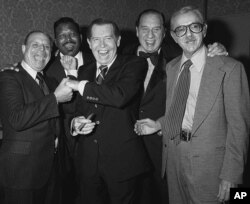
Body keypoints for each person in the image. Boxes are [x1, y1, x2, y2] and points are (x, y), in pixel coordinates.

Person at [135, 6, 250, 204]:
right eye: (181, 29)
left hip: (210, 165)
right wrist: (159, 124)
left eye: (194, 27)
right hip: (173, 157)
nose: (188, 34)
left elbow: (239, 127)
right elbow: (178, 110)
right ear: (173, 35)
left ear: (204, 30)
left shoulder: (230, 68)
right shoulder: (172, 68)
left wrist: (231, 175)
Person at [0, 31, 94, 204]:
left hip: (52, 170)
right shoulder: (8, 76)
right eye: (35, 45)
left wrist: (74, 124)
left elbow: (60, 116)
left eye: (46, 47)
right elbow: (16, 119)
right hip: (21, 174)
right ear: (23, 48)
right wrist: (55, 98)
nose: (41, 50)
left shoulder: (49, 82)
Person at [66, 18, 151, 204]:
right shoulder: (83, 70)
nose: (102, 45)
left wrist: (78, 85)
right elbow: (73, 110)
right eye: (96, 39)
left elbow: (119, 96)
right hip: (87, 163)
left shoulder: (135, 64)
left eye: (108, 38)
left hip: (123, 162)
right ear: (89, 43)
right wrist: (75, 123)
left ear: (118, 41)